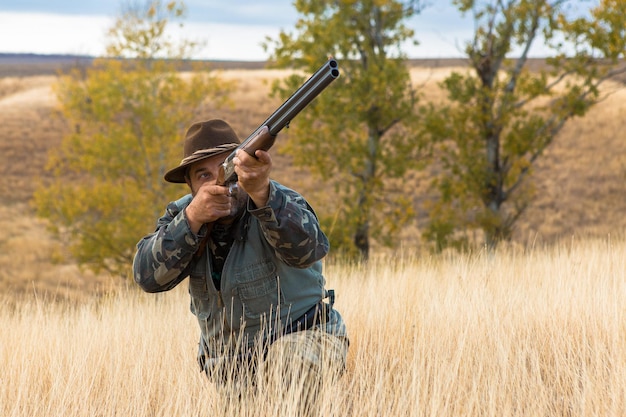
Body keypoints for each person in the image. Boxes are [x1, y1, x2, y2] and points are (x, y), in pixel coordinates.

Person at [132, 119, 349, 391]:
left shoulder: (277, 199)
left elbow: (309, 250)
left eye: (225, 169)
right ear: (189, 184)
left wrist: (262, 193)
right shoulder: (183, 217)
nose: (220, 183)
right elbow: (147, 278)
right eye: (203, 175)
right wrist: (191, 221)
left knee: (289, 363)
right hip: (234, 368)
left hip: (307, 340)